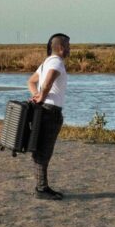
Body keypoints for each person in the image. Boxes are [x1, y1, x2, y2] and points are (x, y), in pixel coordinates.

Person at [27, 33, 70, 200]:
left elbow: (31, 81)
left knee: (41, 150)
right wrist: (42, 94)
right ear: (60, 47)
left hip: (44, 109)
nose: (69, 49)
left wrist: (37, 95)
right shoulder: (57, 62)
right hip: (51, 111)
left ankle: (42, 186)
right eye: (68, 46)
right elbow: (49, 80)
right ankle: (41, 188)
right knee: (44, 151)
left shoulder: (46, 62)